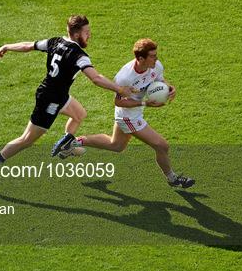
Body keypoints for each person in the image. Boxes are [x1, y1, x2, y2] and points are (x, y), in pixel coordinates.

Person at [0, 15, 134, 190]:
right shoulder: (79, 55)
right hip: (50, 100)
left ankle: (67, 145)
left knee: (79, 114)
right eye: (87, 33)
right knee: (27, 139)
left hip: (58, 94)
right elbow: (96, 78)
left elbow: (28, 45)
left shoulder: (55, 41)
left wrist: (7, 46)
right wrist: (120, 90)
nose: (89, 36)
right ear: (77, 35)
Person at [62, 38, 195, 188]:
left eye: (156, 55)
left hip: (135, 112)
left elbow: (159, 81)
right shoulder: (125, 77)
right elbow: (118, 102)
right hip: (127, 115)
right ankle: (173, 179)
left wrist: (169, 88)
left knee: (116, 145)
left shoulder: (156, 66)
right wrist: (144, 103)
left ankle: (74, 142)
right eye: (152, 56)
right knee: (161, 145)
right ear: (140, 58)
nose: (156, 59)